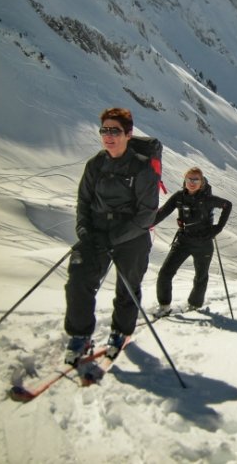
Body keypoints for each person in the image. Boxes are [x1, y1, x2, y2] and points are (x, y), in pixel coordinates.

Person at [64, 108, 159, 365]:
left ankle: (121, 332)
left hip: (132, 236)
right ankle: (80, 334)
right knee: (78, 280)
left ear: (128, 134)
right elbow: (83, 200)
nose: (108, 136)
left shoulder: (142, 169)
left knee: (127, 285)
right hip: (96, 232)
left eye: (114, 131)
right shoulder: (96, 164)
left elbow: (147, 214)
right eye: (104, 130)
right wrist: (83, 229)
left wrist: (115, 237)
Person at [153, 167, 232, 317]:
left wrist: (218, 228)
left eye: (196, 179)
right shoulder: (179, 197)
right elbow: (162, 213)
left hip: (204, 243)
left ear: (201, 182)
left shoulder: (207, 199)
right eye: (189, 179)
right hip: (184, 240)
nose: (192, 182)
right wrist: (145, 225)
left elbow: (227, 205)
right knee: (165, 273)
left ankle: (194, 305)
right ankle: (164, 306)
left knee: (200, 276)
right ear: (185, 180)